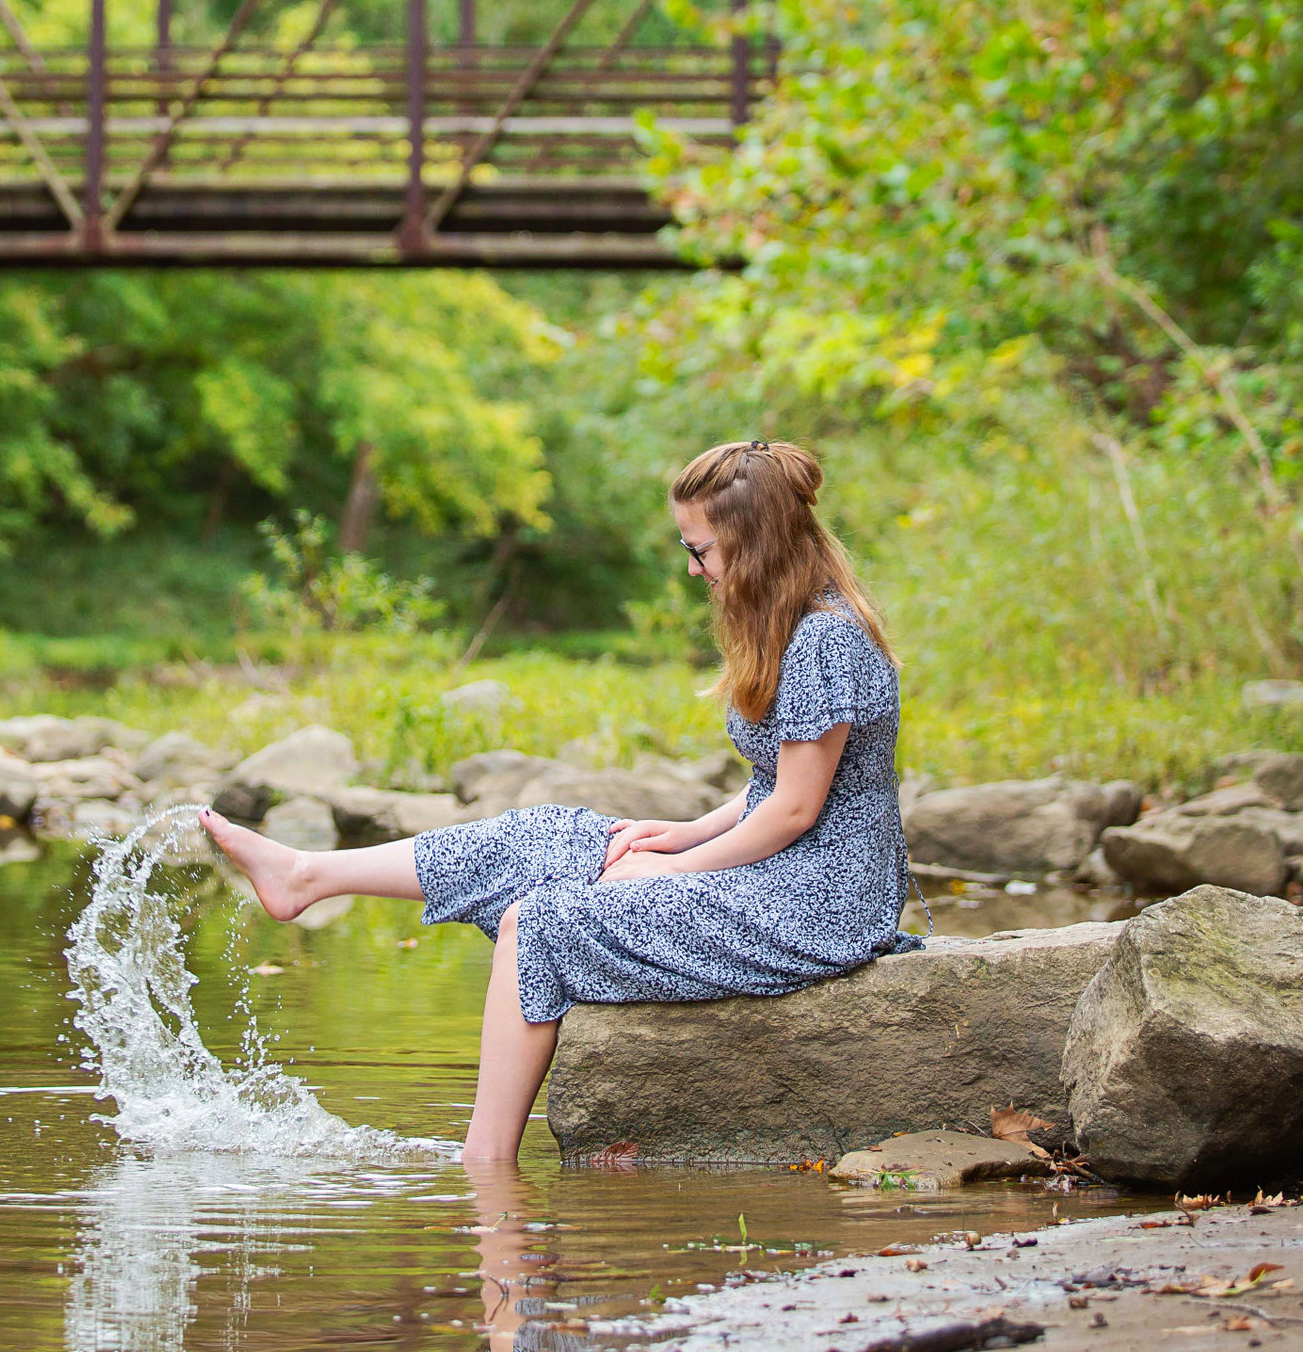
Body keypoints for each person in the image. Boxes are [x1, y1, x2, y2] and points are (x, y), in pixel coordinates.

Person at [200, 439, 923, 1161]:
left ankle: (484, 1165)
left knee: (537, 924)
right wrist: (682, 833)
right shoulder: (790, 626)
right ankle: (306, 875)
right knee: (544, 836)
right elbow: (772, 784)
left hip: (819, 901)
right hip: (779, 868)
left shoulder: (825, 640)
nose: (694, 567)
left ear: (753, 543)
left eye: (700, 550)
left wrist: (677, 871)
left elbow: (796, 811)